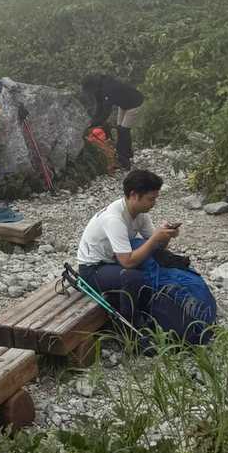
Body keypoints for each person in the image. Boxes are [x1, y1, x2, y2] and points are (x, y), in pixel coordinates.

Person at [75, 169, 178, 330]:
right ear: (134, 195)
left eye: (155, 198)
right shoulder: (114, 219)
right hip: (92, 269)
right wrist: (155, 238)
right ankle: (129, 327)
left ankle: (154, 313)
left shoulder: (140, 213)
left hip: (113, 261)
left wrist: (166, 236)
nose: (154, 203)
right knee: (133, 277)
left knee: (152, 264)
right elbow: (127, 262)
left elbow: (157, 248)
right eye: (151, 199)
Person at [81, 73, 145, 169]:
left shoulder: (108, 88)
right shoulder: (99, 88)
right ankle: (128, 153)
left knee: (124, 130)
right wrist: (92, 121)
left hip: (135, 103)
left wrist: (93, 124)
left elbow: (106, 112)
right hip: (124, 104)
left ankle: (124, 161)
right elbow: (99, 106)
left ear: (92, 85)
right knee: (120, 129)